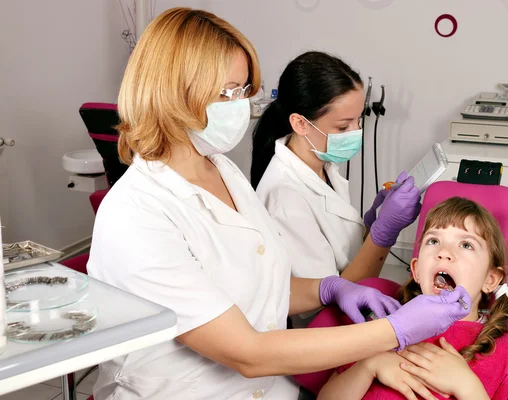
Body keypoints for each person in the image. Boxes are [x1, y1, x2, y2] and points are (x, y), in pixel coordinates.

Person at [87, 8, 471, 400]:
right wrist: (396, 330)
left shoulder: (221, 169)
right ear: (171, 91)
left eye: (242, 91)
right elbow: (247, 354)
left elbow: (257, 283)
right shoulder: (135, 213)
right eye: (226, 93)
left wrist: (328, 288)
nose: (239, 106)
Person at [317, 197, 508, 400]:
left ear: (491, 279)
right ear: (416, 270)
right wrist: (369, 366)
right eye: (433, 241)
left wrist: (467, 387)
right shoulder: (381, 328)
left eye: (466, 244)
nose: (444, 252)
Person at [252, 52, 421, 289]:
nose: (355, 132)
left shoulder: (324, 166)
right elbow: (328, 297)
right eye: (343, 126)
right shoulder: (285, 197)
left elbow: (345, 254)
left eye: (358, 120)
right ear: (301, 124)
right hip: (323, 323)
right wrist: (383, 234)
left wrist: (373, 224)